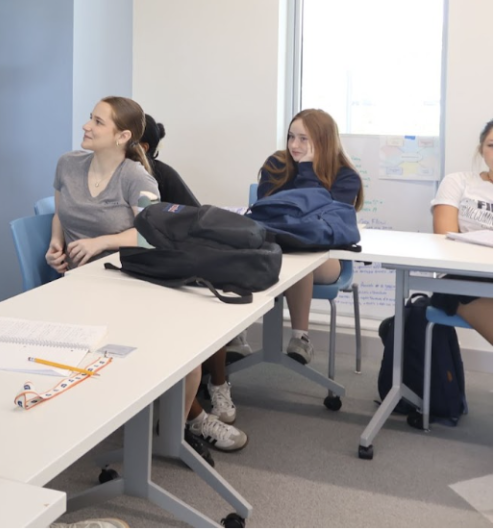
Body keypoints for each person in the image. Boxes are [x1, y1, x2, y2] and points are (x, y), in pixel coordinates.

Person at [48, 99, 247, 453]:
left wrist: (100, 243)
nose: (86, 126)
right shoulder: (68, 164)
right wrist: (56, 245)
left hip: (131, 280)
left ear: (122, 136)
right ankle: (190, 420)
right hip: (82, 288)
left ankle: (186, 423)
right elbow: (61, 212)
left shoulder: (137, 178)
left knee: (182, 351)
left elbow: (150, 234)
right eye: (89, 119)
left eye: (97, 121)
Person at [140, 114, 238, 426]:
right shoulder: (97, 174)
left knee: (208, 302)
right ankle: (191, 413)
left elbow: (196, 220)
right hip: (132, 271)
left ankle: (217, 383)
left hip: (170, 262)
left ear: (140, 145)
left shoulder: (159, 176)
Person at [256, 108, 363, 365]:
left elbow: (320, 221)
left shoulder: (346, 177)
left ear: (323, 141)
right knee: (240, 252)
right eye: (291, 137)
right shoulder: (276, 165)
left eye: (304, 139)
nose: (294, 145)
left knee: (301, 258)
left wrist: (307, 170)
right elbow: (266, 211)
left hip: (325, 256)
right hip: (276, 247)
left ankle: (300, 338)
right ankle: (234, 339)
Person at [428, 120, 493, 343]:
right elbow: (444, 241)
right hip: (464, 281)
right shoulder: (459, 182)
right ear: (481, 151)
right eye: (492, 145)